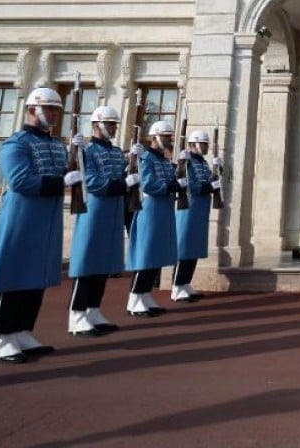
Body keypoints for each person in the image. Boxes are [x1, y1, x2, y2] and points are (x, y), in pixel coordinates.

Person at [0, 87, 79, 364]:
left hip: (46, 218)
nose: (52, 114)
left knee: (35, 277)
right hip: (22, 218)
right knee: (13, 277)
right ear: (31, 110)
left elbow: (65, 173)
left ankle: (23, 330)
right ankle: (0, 338)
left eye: (55, 109)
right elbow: (21, 181)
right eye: (48, 108)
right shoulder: (17, 143)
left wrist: (78, 160)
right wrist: (62, 181)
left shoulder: (54, 144)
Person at [68, 105, 130, 337]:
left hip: (112, 211)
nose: (113, 127)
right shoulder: (88, 150)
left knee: (104, 262)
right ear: (96, 125)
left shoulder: (115, 152)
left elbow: (126, 174)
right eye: (110, 124)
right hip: (94, 210)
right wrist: (123, 185)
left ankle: (93, 309)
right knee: (88, 261)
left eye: (115, 124)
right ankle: (76, 313)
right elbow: (92, 182)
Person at [127, 120, 180, 317]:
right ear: (154, 137)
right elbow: (148, 184)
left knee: (156, 253)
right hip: (150, 207)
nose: (168, 140)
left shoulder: (164, 160)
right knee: (146, 253)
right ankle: (134, 297)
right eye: (165, 136)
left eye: (169, 136)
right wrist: (169, 187)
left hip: (163, 208)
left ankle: (145, 293)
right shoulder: (146, 157)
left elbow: (168, 178)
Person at [172, 129, 221, 302]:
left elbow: (211, 180)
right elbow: (194, 187)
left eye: (207, 144)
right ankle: (176, 286)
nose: (206, 147)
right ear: (194, 144)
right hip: (189, 208)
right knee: (184, 247)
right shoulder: (187, 162)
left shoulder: (202, 162)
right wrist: (211, 187)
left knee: (194, 248)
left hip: (201, 209)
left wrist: (218, 168)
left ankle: (185, 283)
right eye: (204, 144)